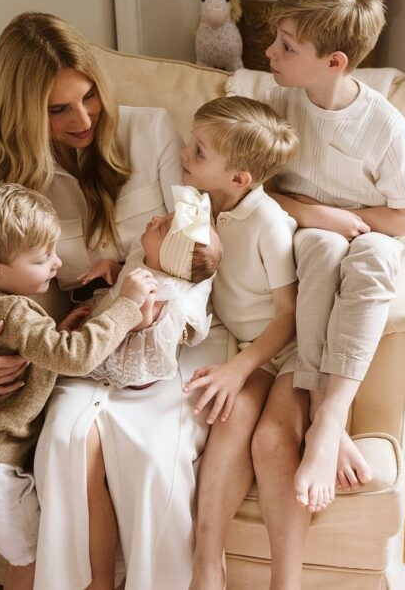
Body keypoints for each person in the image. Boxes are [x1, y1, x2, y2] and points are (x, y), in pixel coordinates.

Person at [0, 12, 225, 590]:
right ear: (24, 113)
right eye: (59, 109)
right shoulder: (7, 175)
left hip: (162, 341)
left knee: (150, 460)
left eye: (89, 97)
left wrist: (164, 314)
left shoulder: (149, 130)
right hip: (77, 346)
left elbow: (195, 241)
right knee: (64, 443)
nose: (83, 119)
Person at [236, 0, 405, 588]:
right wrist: (316, 214)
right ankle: (329, 421)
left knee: (371, 259)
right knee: (317, 248)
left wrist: (355, 223)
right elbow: (256, 182)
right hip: (311, 231)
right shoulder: (278, 100)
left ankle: (328, 416)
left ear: (335, 62)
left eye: (286, 45)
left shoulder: (383, 125)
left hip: (370, 230)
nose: (270, 52)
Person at [0, 182, 155, 590]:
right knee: (42, 562)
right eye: (41, 258)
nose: (56, 264)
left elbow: (40, 351)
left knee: (29, 561)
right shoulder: (16, 311)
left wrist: (55, 334)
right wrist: (127, 304)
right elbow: (77, 357)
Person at [176, 97, 299, 590]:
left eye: (199, 151)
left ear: (239, 178)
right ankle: (209, 566)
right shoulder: (198, 205)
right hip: (244, 345)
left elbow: (289, 319)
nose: (185, 153)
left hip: (284, 351)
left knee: (265, 436)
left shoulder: (268, 223)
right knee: (229, 421)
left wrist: (239, 369)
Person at [79, 185, 222, 390]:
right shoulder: (144, 254)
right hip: (120, 309)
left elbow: (140, 325)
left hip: (131, 332)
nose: (155, 219)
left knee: (112, 359)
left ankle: (136, 380)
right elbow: (129, 270)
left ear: (167, 257)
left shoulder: (160, 287)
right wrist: (112, 267)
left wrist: (144, 306)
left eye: (161, 228)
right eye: (164, 219)